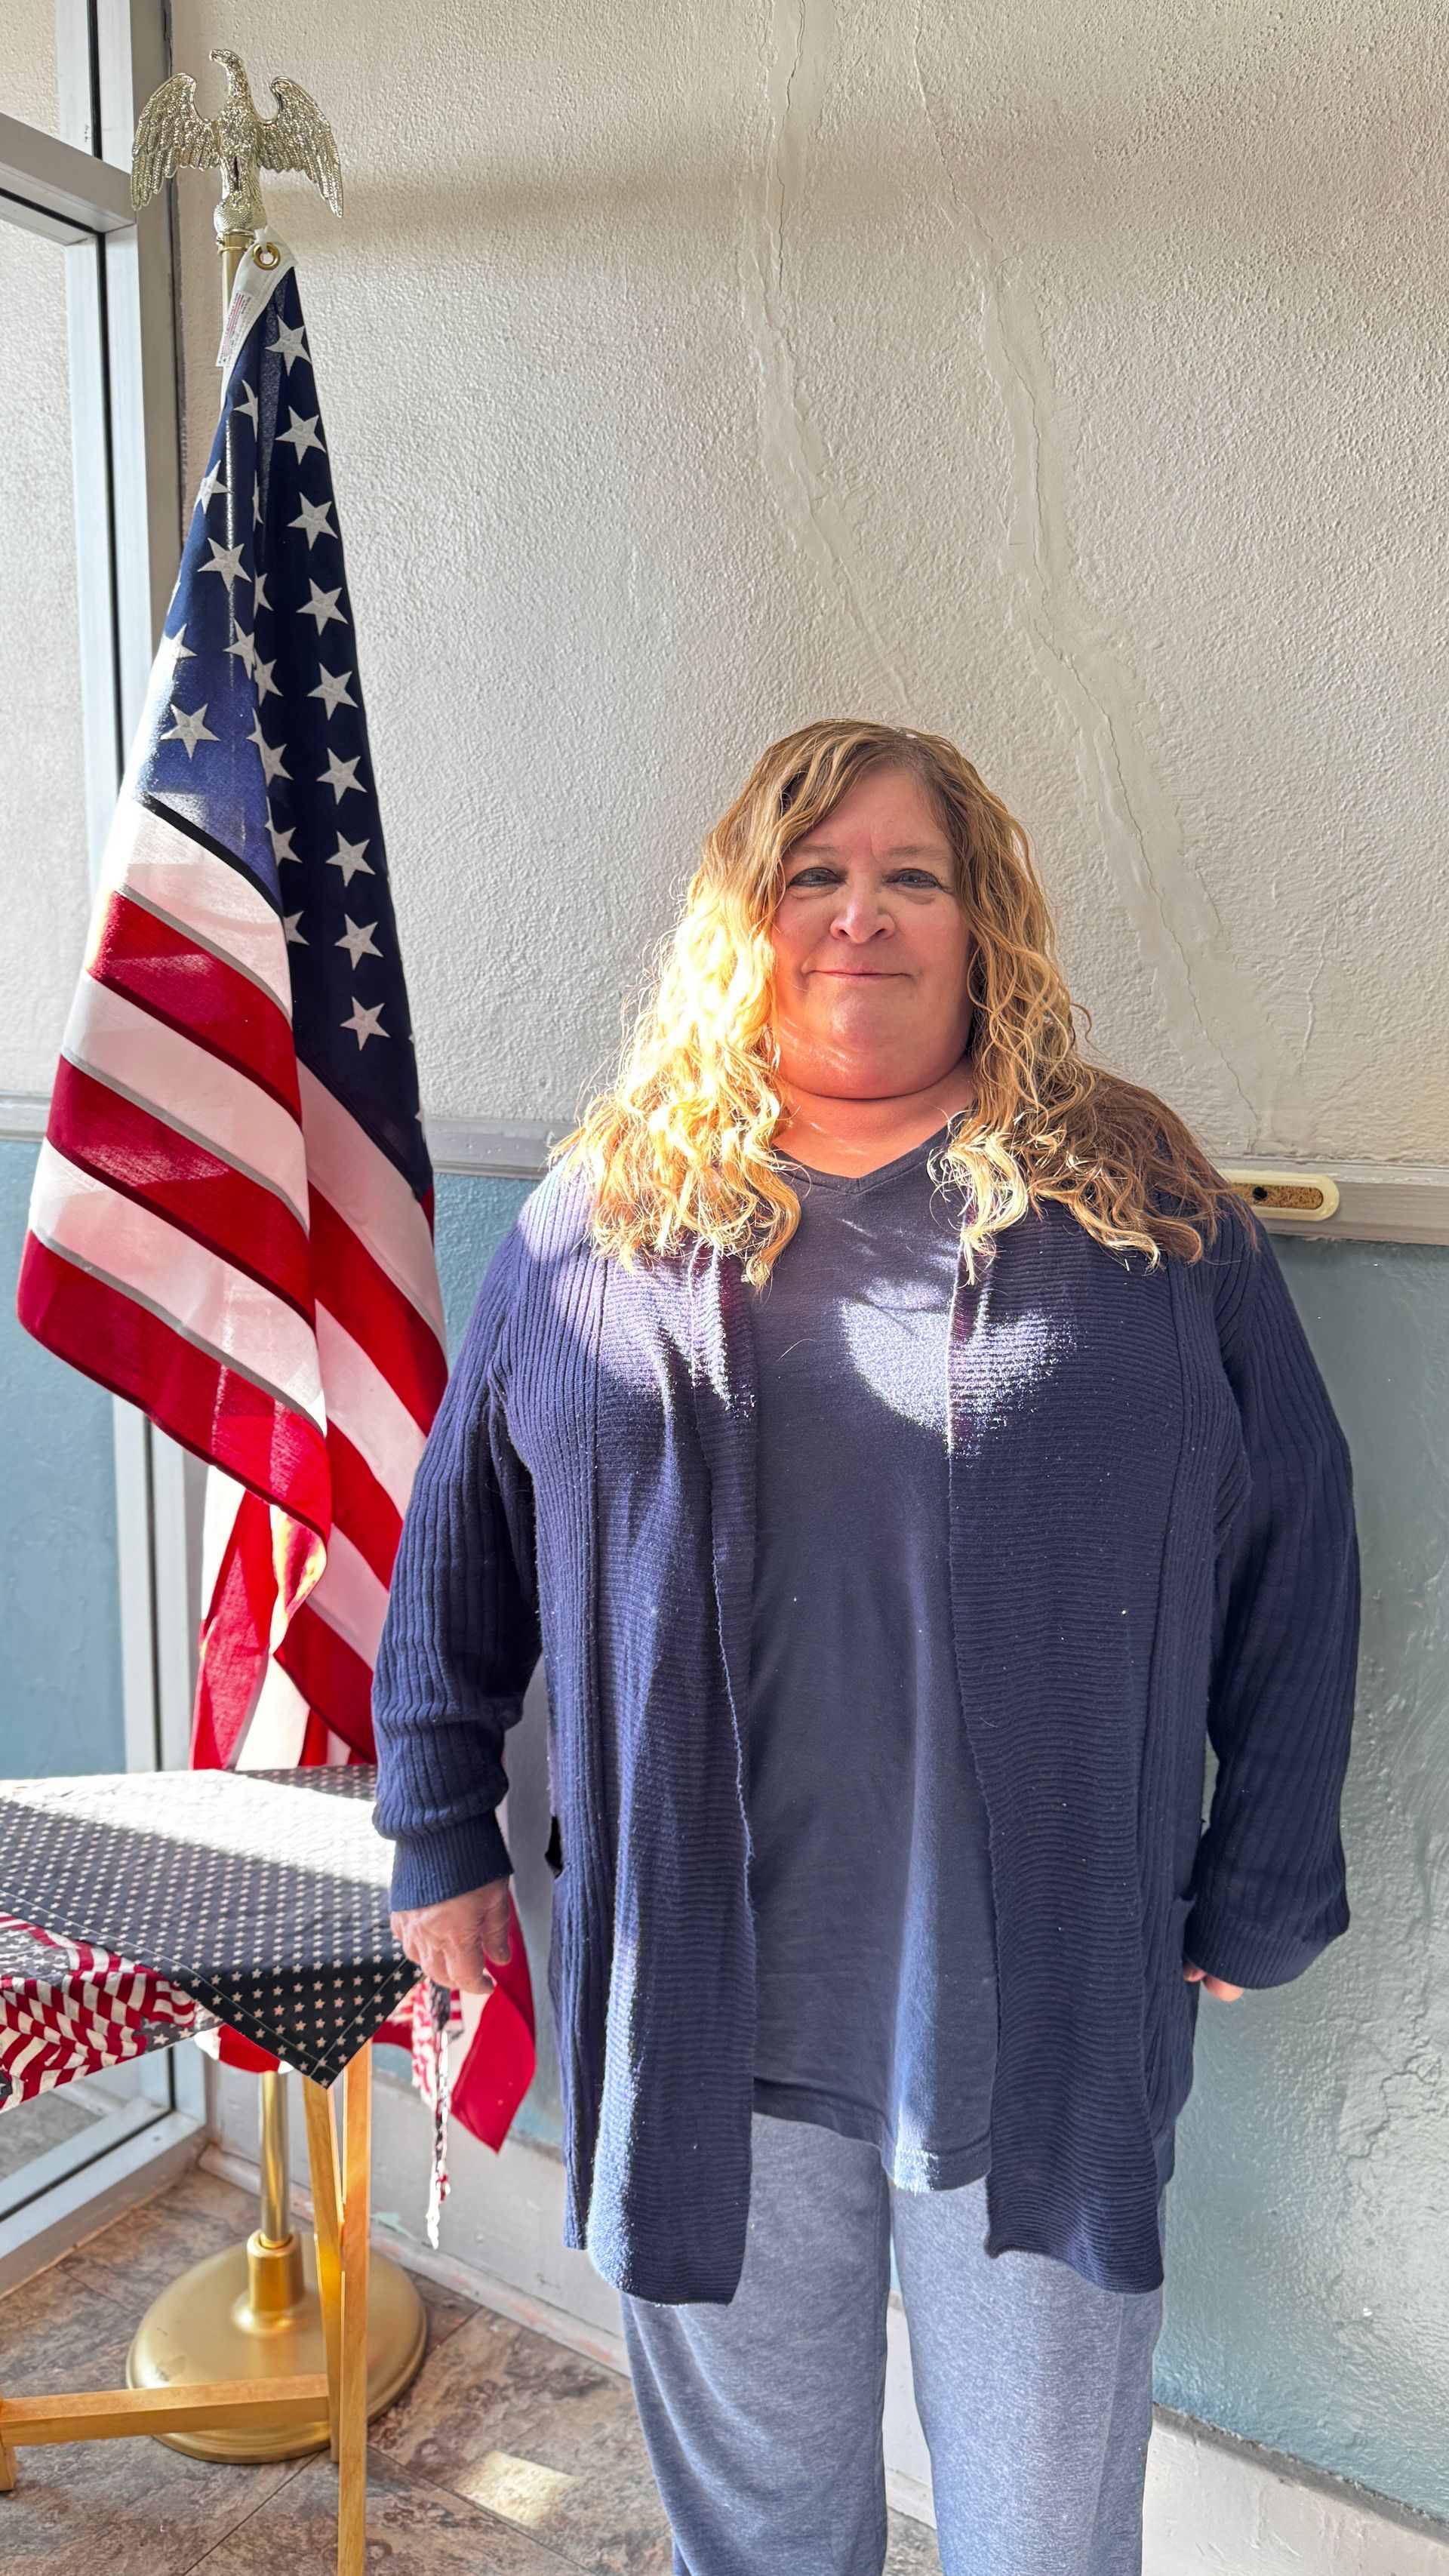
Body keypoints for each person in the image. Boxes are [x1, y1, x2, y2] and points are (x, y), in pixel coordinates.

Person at [372, 719, 1360, 2576]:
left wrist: (1266, 1874)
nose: (860, 918)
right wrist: (435, 1828)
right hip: (701, 1999)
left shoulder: (1133, 1198)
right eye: (810, 877)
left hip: (1039, 2001)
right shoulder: (606, 1205)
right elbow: (461, 1536)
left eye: (913, 876)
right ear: (742, 924)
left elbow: (1299, 1527)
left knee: (1043, 2531)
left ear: (985, 924)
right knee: (755, 2531)